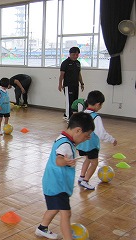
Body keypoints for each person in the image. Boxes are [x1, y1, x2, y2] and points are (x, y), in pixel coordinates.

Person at [35, 112, 95, 240]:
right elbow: (58, 160)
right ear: (78, 130)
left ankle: (42, 228)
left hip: (53, 182)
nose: (86, 138)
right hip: (57, 184)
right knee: (66, 213)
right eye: (86, 136)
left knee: (54, 208)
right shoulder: (65, 145)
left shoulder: (64, 138)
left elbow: (69, 147)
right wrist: (65, 162)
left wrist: (81, 141)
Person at [77, 90, 117, 190]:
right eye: (101, 105)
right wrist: (112, 139)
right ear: (98, 104)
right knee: (94, 163)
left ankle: (81, 177)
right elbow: (101, 134)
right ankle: (85, 181)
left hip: (82, 145)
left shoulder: (83, 113)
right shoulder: (96, 117)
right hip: (91, 145)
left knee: (87, 159)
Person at [58, 47, 85, 120]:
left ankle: (67, 114)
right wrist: (60, 84)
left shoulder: (78, 63)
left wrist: (82, 83)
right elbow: (61, 75)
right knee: (69, 102)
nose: (75, 56)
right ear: (70, 54)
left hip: (76, 85)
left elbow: (79, 74)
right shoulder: (65, 63)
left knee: (75, 102)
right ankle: (69, 117)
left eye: (77, 55)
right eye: (74, 54)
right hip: (67, 86)